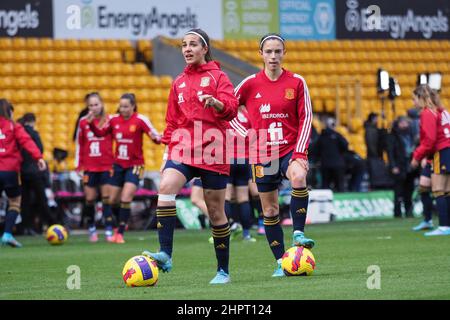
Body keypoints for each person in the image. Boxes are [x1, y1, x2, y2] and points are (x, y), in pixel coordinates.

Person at [141, 28, 238, 284]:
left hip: (213, 149)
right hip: (183, 147)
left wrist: (216, 103)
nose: (187, 49)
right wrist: (166, 153)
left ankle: (223, 271)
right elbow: (171, 121)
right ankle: (165, 254)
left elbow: (231, 110)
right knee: (165, 187)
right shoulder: (178, 82)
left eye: (193, 44)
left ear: (204, 48)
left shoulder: (219, 77)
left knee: (216, 212)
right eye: (184, 45)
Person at [234, 33, 315, 277]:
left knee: (299, 177)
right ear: (261, 54)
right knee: (269, 211)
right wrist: (247, 135)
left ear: (284, 53)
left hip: (290, 148)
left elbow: (307, 117)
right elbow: (226, 110)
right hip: (262, 154)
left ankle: (298, 233)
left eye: (277, 51)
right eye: (268, 51)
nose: (273, 56)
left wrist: (300, 151)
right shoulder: (249, 84)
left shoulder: (297, 82)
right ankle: (281, 262)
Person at [87, 93, 161, 243]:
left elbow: (154, 137)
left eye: (126, 106)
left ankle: (120, 232)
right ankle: (121, 222)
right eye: (121, 106)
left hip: (135, 166)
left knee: (126, 198)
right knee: (113, 200)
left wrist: (161, 138)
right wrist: (91, 124)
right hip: (118, 165)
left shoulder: (140, 120)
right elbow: (101, 133)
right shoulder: (113, 120)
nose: (123, 109)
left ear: (133, 106)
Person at [0, 99, 47, 247]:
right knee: (14, 202)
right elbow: (27, 141)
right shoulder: (13, 126)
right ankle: (7, 234)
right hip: (10, 170)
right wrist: (38, 158)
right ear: (10, 112)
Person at [410, 85, 450, 236]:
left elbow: (430, 140)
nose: (413, 103)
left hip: (441, 151)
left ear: (422, 98)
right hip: (447, 150)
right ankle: (444, 225)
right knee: (446, 191)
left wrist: (417, 156)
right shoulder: (443, 111)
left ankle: (444, 226)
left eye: (414, 99)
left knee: (439, 190)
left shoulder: (428, 113)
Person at [75, 92, 114, 242]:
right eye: (90, 105)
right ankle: (91, 228)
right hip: (89, 167)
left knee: (106, 198)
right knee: (90, 198)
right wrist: (78, 165)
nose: (94, 108)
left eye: (96, 104)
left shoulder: (108, 120)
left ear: (102, 104)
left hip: (105, 165)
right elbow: (80, 143)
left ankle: (109, 228)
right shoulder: (83, 122)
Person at [18, 113, 53, 235]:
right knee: (41, 199)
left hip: (22, 171)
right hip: (34, 171)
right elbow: (40, 150)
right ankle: (50, 223)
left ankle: (25, 227)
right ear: (33, 121)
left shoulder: (19, 133)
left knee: (24, 201)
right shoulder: (34, 134)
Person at [227, 106, 256, 242]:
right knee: (243, 198)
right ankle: (246, 234)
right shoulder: (246, 114)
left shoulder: (225, 113)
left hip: (227, 159)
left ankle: (229, 228)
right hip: (244, 159)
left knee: (225, 198)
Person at [386, 116, 417, 218]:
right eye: (402, 123)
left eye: (406, 123)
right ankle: (397, 212)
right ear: (398, 124)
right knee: (398, 191)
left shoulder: (411, 135)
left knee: (409, 189)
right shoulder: (392, 136)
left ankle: (409, 211)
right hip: (399, 166)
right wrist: (393, 165)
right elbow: (390, 152)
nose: (405, 125)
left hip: (410, 166)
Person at [316, 117, 349, 192]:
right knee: (340, 187)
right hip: (337, 164)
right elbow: (345, 145)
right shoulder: (337, 136)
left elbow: (316, 150)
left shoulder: (321, 137)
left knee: (325, 187)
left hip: (325, 164)